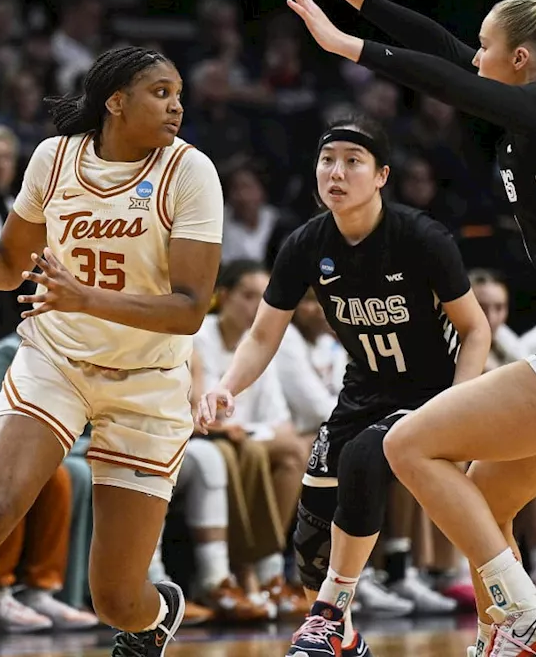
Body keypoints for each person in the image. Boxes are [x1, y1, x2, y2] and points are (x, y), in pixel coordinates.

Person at [282, 0, 536, 655]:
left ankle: (522, 610)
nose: (475, 58)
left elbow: (448, 80)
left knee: (409, 443)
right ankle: (502, 638)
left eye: (487, 48)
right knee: (483, 500)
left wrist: (346, 44)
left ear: (520, 60)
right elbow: (440, 48)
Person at [0, 45, 224, 657]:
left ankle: (157, 613)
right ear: (116, 101)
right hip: (58, 360)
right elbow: (5, 264)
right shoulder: (54, 161)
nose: (177, 105)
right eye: (161, 92)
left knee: (115, 600)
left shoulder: (190, 173)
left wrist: (84, 297)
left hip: (148, 382)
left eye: (179, 93)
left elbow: (189, 308)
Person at [199, 113, 489, 657]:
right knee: (311, 535)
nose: (336, 172)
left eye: (352, 162)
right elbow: (263, 335)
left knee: (361, 459)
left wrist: (459, 412)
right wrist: (225, 385)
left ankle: (331, 613)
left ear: (381, 175)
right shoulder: (305, 245)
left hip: (431, 396)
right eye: (327, 160)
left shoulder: (421, 237)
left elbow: (476, 328)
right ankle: (344, 636)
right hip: (363, 393)